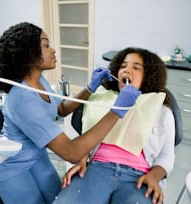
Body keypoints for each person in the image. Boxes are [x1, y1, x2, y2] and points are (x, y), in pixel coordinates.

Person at [0, 22, 141, 204]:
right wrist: (117, 111)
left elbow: (60, 109)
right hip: (13, 167)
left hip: (37, 156)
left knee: (59, 198)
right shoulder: (23, 98)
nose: (53, 50)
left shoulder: (39, 81)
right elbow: (71, 152)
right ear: (29, 55)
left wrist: (90, 87)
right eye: (46, 45)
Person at [53, 47, 175, 204]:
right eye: (123, 66)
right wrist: (82, 158)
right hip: (95, 169)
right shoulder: (100, 99)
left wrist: (154, 176)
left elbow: (167, 155)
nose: (127, 70)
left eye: (136, 67)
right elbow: (86, 134)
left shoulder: (161, 110)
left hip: (138, 178)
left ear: (149, 76)